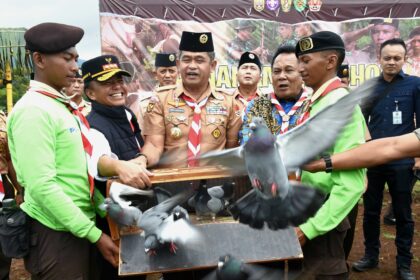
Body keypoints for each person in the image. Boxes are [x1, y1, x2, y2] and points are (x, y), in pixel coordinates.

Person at [8, 22, 148, 279]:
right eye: (67, 58)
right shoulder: (34, 110)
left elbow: (79, 174)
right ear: (39, 59)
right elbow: (42, 186)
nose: (75, 67)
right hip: (56, 233)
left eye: (75, 58)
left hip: (78, 226)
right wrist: (94, 234)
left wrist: (103, 213)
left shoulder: (60, 107)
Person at [294, 31, 368, 279]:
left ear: (330, 61)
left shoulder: (338, 104)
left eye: (306, 60)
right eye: (299, 61)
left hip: (323, 217)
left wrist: (310, 229)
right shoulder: (318, 101)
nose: (299, 68)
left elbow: (351, 183)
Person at [82, 54, 152, 279]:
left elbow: (138, 146)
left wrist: (142, 158)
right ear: (90, 93)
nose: (117, 87)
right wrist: (120, 167)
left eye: (120, 80)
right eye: (106, 82)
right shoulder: (92, 125)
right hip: (114, 220)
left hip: (138, 211)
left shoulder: (127, 113)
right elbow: (99, 163)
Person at [357, 38, 418, 280]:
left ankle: (404, 265)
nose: (392, 62)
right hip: (373, 161)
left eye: (397, 58)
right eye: (387, 58)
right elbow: (359, 120)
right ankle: (370, 256)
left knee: (403, 214)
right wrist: (365, 146)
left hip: (402, 161)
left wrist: (418, 157)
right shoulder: (370, 86)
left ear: (405, 60)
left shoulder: (415, 85)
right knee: (370, 211)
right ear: (379, 59)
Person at [142, 31, 242, 168]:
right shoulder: (160, 100)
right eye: (186, 60)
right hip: (172, 184)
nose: (192, 66)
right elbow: (153, 145)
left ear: (212, 66)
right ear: (178, 64)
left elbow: (232, 149)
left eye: (200, 60)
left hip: (214, 184)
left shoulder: (229, 102)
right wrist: (141, 160)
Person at [239, 45, 310, 145]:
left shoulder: (313, 104)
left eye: (289, 70)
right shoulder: (256, 106)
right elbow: (247, 145)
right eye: (276, 71)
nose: (281, 76)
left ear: (302, 74)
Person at [129, 52, 179, 131]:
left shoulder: (188, 99)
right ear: (155, 74)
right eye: (163, 71)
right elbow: (141, 133)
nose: (168, 75)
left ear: (178, 73)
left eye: (172, 71)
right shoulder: (145, 104)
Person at [0, 109, 23, 280]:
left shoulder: (1, 118)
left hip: (2, 185)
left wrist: (19, 189)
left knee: (2, 242)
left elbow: (9, 158)